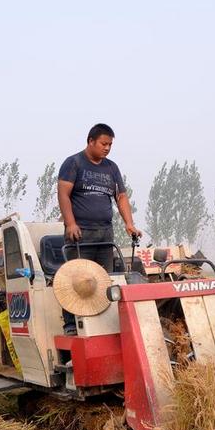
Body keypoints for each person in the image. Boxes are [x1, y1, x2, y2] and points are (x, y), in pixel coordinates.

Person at [57, 123, 141, 334]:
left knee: (105, 278)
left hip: (105, 233)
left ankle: (104, 324)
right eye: (103, 143)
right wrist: (71, 223)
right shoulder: (74, 163)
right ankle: (71, 326)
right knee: (77, 279)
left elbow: (120, 197)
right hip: (80, 233)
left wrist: (129, 224)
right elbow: (63, 194)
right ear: (90, 141)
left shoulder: (111, 168)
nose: (107, 148)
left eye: (110, 145)